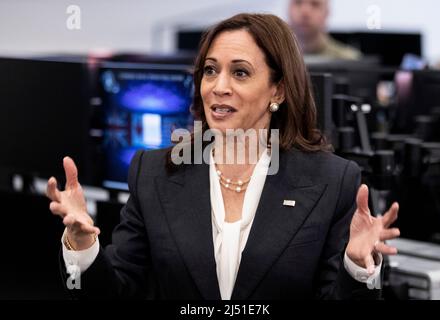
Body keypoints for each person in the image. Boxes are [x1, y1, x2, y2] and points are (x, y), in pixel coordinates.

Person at [46, 13, 400, 299]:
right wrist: (82, 247)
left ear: (277, 89)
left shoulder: (332, 180)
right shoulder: (153, 172)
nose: (219, 86)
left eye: (240, 72)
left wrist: (356, 269)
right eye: (210, 70)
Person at [288, 0, 362, 60]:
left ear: (327, 12)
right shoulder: (277, 59)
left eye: (315, 4)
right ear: (288, 10)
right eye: (298, 2)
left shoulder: (350, 60)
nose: (305, 12)